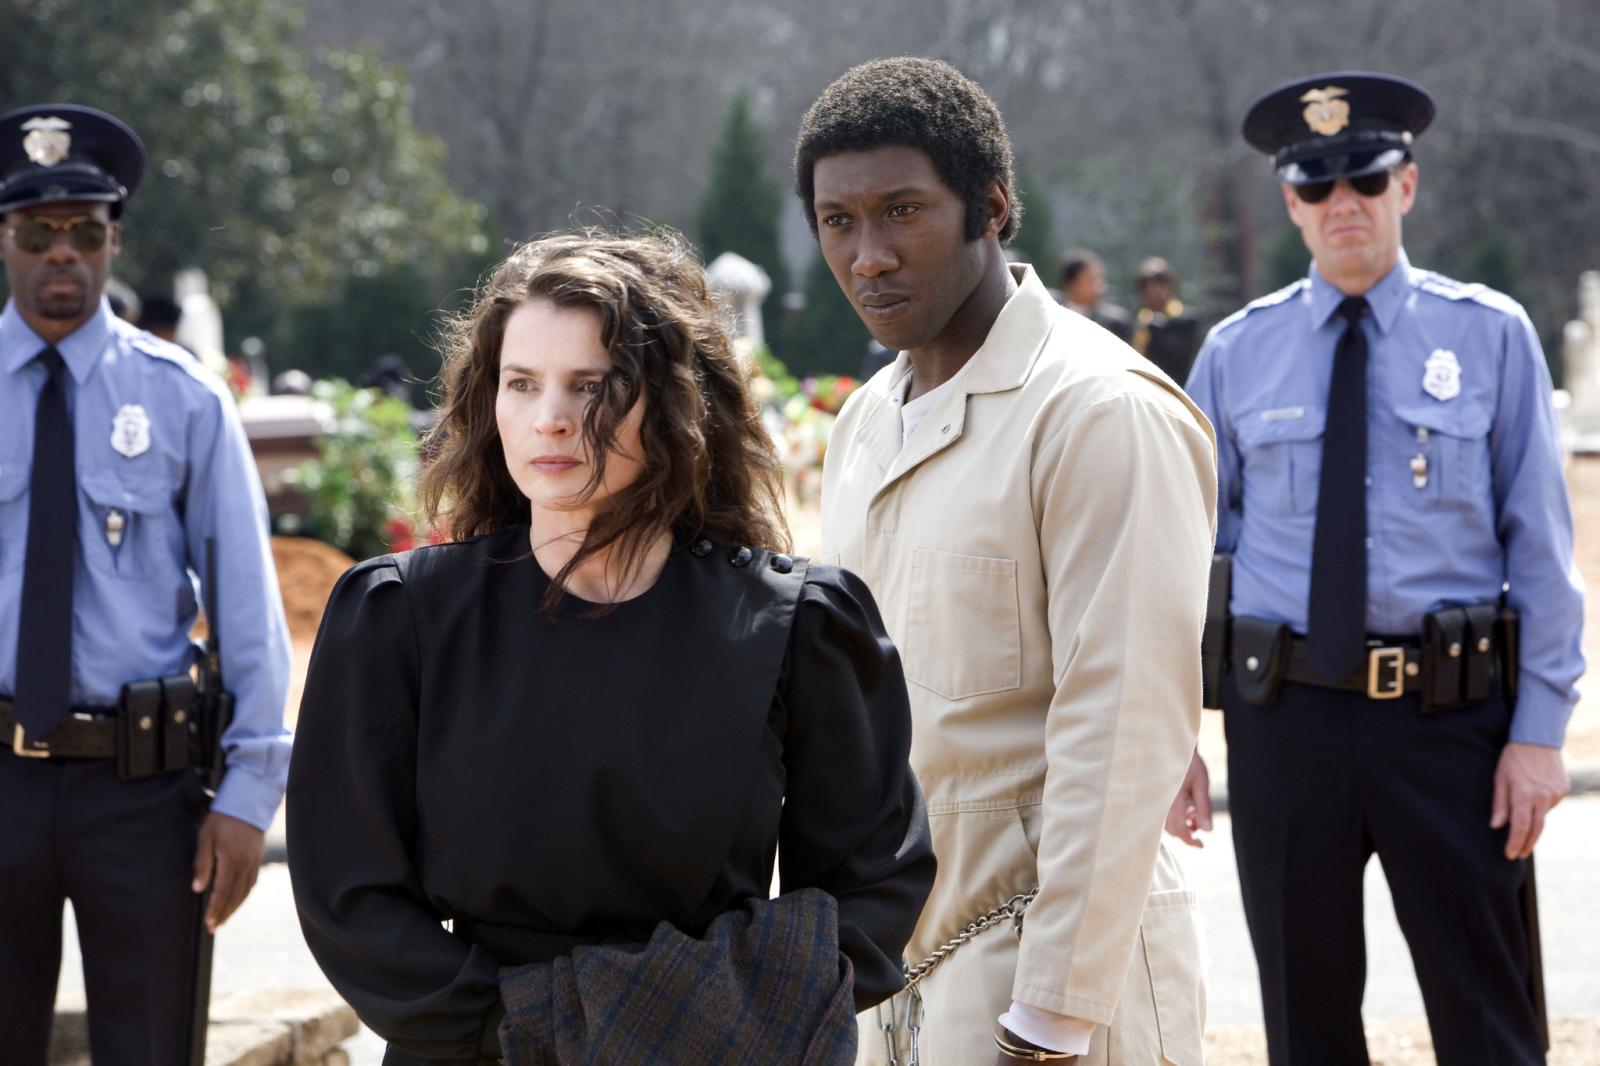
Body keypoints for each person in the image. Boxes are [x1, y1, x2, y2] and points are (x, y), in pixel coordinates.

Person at [287, 229, 936, 1064]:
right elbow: (350, 895)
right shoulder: (401, 616)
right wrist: (531, 1023)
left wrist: (687, 1013)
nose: (550, 418)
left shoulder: (795, 623)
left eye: (589, 385)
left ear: (670, 403)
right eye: (522, 383)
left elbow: (874, 890)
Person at [797, 58, 1216, 1065]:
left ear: (989, 207)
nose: (869, 256)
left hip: (1056, 986)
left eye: (903, 212)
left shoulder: (1099, 412)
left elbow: (1122, 725)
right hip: (893, 981)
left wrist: (1051, 1018)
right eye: (838, 221)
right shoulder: (864, 423)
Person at [1174, 72, 1581, 1065]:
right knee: (1304, 1022)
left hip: (1451, 722)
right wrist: (1170, 732)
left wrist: (1538, 736)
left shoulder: (1488, 336)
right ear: (1290, 203)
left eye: (1364, 176)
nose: (1341, 203)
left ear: (1407, 184)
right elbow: (1187, 559)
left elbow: (1540, 547)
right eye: (1316, 185)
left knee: (1488, 1020)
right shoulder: (1235, 354)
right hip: (1285, 724)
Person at [0, 104, 291, 1062]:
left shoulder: (183, 399)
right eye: (38, 231)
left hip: (142, 791)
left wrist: (247, 796)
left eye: (85, 231)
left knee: (152, 1048)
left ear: (113, 240)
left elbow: (248, 611)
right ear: (5, 239)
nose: (62, 252)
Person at [1130, 256, 1201, 383]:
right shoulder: (1140, 322)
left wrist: (1154, 327)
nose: (1156, 292)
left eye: (1161, 285)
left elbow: (1176, 354)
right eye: (1149, 287)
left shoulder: (1186, 321)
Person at [1058, 248, 1130, 341]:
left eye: (1100, 278)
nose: (1099, 286)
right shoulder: (1052, 317)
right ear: (1070, 283)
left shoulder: (1115, 323)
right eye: (1090, 279)